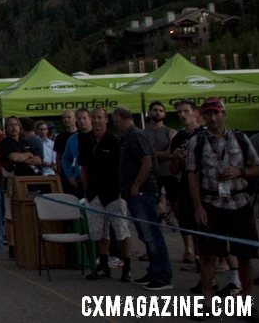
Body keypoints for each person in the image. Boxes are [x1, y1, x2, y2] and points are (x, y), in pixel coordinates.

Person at [186, 96, 259, 301]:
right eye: (208, 113)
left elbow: (257, 168)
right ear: (203, 116)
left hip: (240, 202)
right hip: (212, 204)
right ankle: (208, 300)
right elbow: (192, 174)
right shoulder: (196, 142)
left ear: (223, 114)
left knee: (245, 255)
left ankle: (246, 299)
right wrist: (198, 207)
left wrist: (240, 172)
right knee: (208, 255)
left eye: (216, 112)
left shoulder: (240, 138)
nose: (212, 117)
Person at [113, 106, 172, 290]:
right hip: (135, 193)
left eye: (115, 121)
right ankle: (154, 271)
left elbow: (147, 161)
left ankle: (163, 276)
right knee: (146, 235)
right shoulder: (129, 136)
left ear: (121, 118)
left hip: (143, 193)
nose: (114, 125)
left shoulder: (135, 135)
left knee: (152, 235)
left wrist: (136, 186)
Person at [80, 106, 131, 281]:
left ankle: (127, 268)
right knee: (99, 233)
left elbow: (123, 168)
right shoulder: (85, 141)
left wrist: (122, 191)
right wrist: (87, 191)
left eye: (99, 117)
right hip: (94, 194)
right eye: (93, 117)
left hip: (114, 194)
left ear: (106, 120)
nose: (96, 121)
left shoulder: (115, 141)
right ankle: (103, 267)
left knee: (122, 232)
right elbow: (84, 168)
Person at [169, 98, 203, 271]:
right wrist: (176, 157)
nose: (182, 115)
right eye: (179, 112)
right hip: (184, 187)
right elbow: (173, 170)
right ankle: (199, 261)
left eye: (186, 111)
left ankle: (223, 262)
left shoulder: (204, 133)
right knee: (191, 227)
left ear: (195, 113)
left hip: (205, 187)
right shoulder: (178, 137)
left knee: (209, 228)